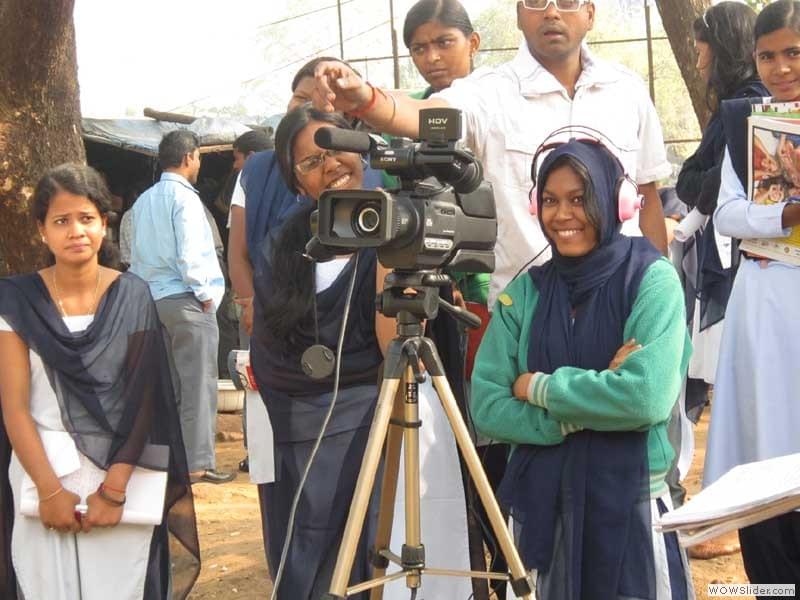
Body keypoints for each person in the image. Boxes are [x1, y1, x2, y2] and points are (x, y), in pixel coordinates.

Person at [311, 0, 672, 310]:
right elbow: (429, 116)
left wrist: (659, 298)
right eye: (536, 1)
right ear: (519, 15)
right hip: (525, 316)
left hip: (621, 305)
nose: (551, 12)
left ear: (589, 14)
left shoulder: (628, 91)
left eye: (566, 1)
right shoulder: (489, 93)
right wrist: (367, 101)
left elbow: (648, 201)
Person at [471, 138, 693, 599]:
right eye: (550, 200)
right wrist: (579, 413)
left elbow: (644, 398)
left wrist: (539, 387)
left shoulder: (652, 281)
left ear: (617, 202)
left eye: (579, 198)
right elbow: (487, 407)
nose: (562, 214)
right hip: (542, 507)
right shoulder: (524, 294)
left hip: (631, 507)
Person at [0, 164, 199, 600]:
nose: (76, 231)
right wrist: (50, 491)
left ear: (104, 223)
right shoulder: (16, 301)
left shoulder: (133, 295)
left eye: (86, 218)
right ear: (41, 230)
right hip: (40, 474)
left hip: (121, 474)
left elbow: (144, 401)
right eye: (61, 221)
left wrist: (113, 491)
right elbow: (14, 407)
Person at [249, 105, 391, 598]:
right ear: (296, 181)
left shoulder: (398, 225)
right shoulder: (282, 246)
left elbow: (393, 348)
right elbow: (270, 354)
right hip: (299, 427)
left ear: (360, 149)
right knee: (309, 551)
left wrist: (390, 244)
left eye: (337, 148)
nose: (330, 164)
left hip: (378, 416)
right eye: (311, 161)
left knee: (374, 545)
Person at [704, 0, 800, 589]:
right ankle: (773, 581)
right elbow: (726, 213)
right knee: (765, 449)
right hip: (763, 306)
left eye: (793, 53)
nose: (780, 68)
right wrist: (784, 214)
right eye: (767, 56)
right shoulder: (746, 125)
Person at [671, 0, 766, 560]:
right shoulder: (733, 109)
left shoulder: (750, 107)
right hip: (729, 267)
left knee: (733, 391)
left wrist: (708, 184)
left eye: (703, 41)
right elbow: (694, 181)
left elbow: (704, 186)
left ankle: (731, 519)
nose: (697, 53)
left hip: (746, 270)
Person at [129, 130, 233, 485]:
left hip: (153, 300)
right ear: (189, 157)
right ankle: (198, 464)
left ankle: (171, 461)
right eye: (199, 157)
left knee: (170, 386)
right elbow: (190, 254)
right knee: (198, 385)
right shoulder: (186, 199)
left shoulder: (143, 202)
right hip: (187, 299)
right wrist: (205, 294)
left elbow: (133, 254)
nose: (199, 164)